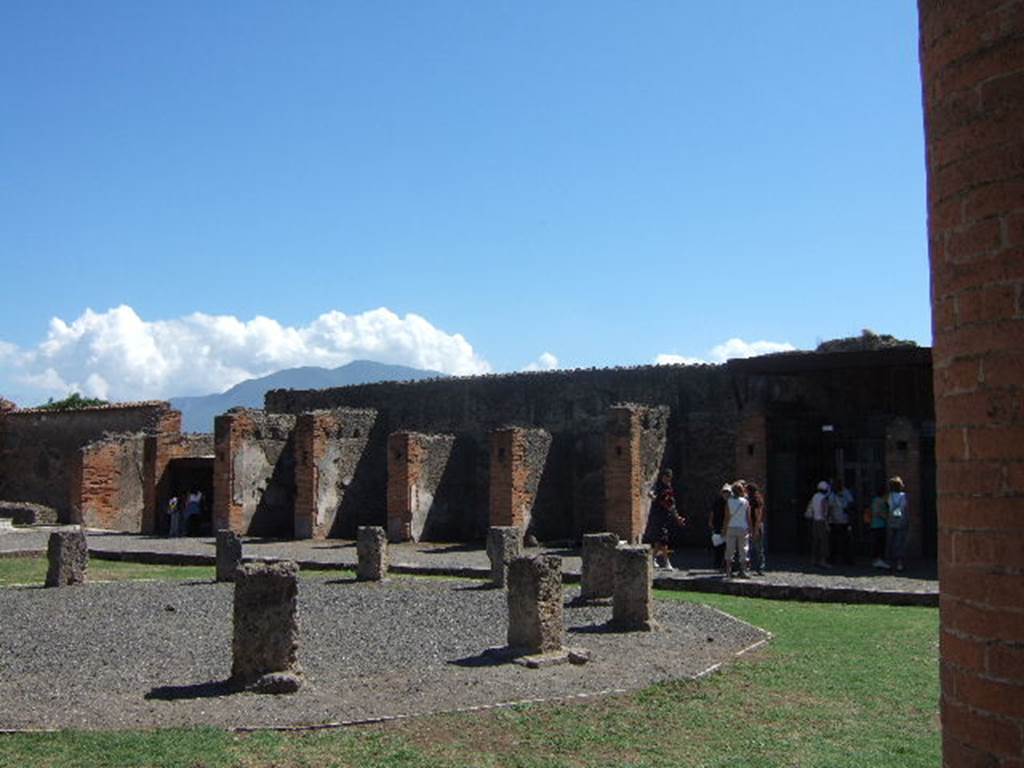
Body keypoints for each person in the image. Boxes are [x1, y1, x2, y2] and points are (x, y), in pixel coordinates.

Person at [644, 469, 684, 570]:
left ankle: (651, 559)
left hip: (665, 517)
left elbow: (671, 505)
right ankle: (666, 562)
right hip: (658, 518)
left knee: (659, 541)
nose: (667, 480)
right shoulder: (658, 487)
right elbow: (651, 493)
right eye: (666, 477)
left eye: (669, 478)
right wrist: (652, 495)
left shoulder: (669, 489)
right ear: (662, 477)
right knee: (664, 540)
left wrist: (677, 517)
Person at [723, 482, 751, 579]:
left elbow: (726, 517)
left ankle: (728, 571)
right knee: (743, 549)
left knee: (730, 549)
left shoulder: (729, 502)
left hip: (731, 527)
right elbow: (748, 517)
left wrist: (724, 529)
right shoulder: (745, 502)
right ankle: (743, 571)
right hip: (743, 527)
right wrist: (750, 528)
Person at [829, 479, 855, 566]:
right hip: (834, 521)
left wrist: (847, 508)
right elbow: (829, 507)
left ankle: (847, 559)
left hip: (844, 521)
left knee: (846, 541)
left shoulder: (846, 492)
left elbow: (851, 503)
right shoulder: (831, 495)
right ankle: (834, 558)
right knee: (834, 541)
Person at [886, 476, 909, 572]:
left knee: (891, 542)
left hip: (891, 520)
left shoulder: (889, 496)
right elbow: (904, 507)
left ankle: (892, 562)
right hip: (901, 520)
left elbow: (889, 507)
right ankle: (900, 563)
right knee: (900, 542)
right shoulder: (903, 496)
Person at [808, 481, 831, 568]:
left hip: (815, 520)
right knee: (823, 542)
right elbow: (824, 512)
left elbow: (812, 509)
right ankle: (823, 561)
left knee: (815, 541)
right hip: (822, 521)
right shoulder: (824, 498)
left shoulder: (814, 497)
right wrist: (827, 524)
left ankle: (814, 560)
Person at [708, 483, 730, 570]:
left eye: (727, 492)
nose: (726, 494)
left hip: (728, 526)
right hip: (718, 525)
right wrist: (711, 522)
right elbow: (712, 512)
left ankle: (725, 564)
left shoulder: (731, 502)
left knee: (727, 546)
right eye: (725, 492)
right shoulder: (717, 501)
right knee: (718, 546)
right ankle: (717, 564)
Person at [746, 482, 766, 574]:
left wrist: (755, 530)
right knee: (754, 548)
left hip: (755, 526)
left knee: (757, 548)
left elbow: (758, 517)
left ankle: (759, 568)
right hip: (753, 526)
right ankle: (756, 567)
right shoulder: (753, 500)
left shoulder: (755, 501)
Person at [869, 485, 890, 569]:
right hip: (879, 524)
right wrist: (886, 517)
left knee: (878, 543)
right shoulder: (879, 501)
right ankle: (878, 560)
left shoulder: (875, 500)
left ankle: (877, 560)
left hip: (876, 524)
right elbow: (877, 512)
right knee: (879, 543)